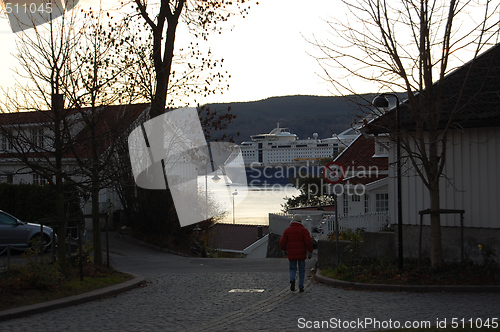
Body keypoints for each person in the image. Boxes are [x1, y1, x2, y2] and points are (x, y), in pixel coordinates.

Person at [279, 214, 313, 292]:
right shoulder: (304, 230)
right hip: (301, 254)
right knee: (301, 270)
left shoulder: (287, 230)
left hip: (291, 253)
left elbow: (282, 242)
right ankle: (301, 286)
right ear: (300, 221)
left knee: (292, 268)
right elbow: (309, 242)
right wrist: (310, 252)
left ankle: (292, 279)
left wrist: (284, 250)